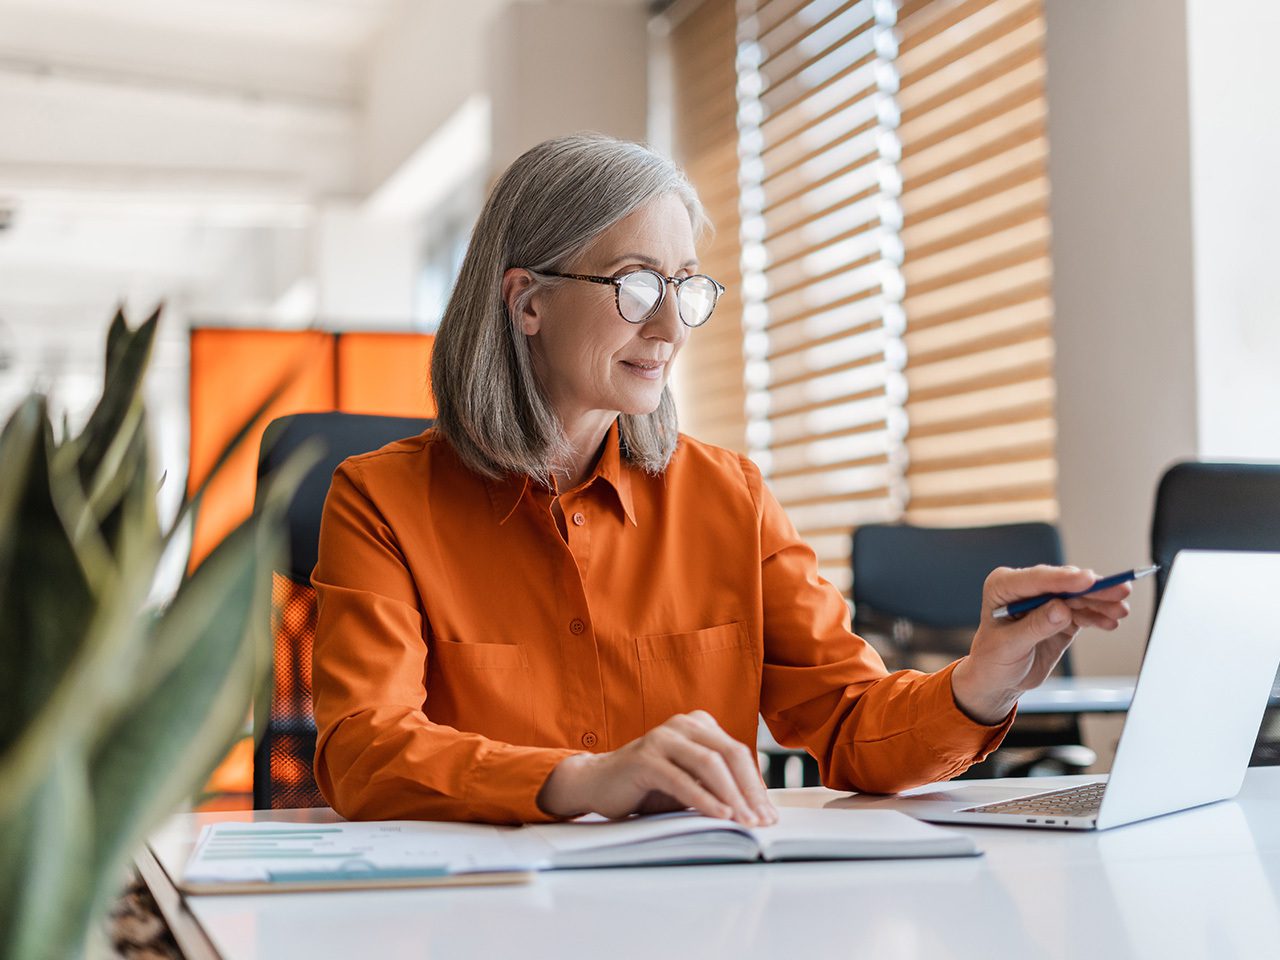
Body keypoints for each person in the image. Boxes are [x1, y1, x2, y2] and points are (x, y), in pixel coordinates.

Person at [311, 133, 1131, 826]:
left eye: (684, 287)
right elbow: (362, 746)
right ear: (527, 302)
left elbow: (850, 724)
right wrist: (577, 781)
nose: (669, 327)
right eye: (636, 285)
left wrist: (980, 682)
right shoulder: (380, 501)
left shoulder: (728, 497)